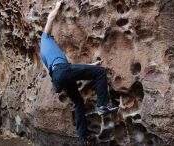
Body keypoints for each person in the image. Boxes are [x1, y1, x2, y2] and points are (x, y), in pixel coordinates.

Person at [40, 1, 118, 145]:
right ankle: (102, 105)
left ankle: (83, 138)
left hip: (59, 77)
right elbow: (50, 18)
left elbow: (70, 70)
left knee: (78, 103)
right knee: (100, 73)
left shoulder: (45, 55)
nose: (53, 38)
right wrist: (58, 5)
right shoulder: (45, 39)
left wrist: (91, 65)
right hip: (63, 71)